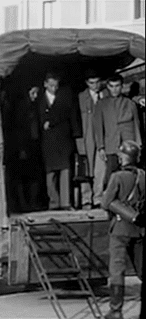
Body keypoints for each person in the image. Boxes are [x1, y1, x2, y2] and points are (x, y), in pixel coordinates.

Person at [101, 140, 145, 319]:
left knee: (117, 270)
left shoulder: (116, 177)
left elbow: (106, 203)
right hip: (140, 229)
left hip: (120, 229)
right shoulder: (144, 176)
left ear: (124, 158)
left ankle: (116, 310)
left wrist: (124, 212)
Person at [38, 73, 83, 210]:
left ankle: (65, 203)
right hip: (47, 140)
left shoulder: (65, 96)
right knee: (50, 172)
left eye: (56, 85)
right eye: (51, 85)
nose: (54, 88)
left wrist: (76, 135)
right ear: (45, 84)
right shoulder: (38, 98)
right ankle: (53, 202)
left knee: (65, 169)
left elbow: (71, 115)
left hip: (64, 137)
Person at [94, 74, 142, 189]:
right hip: (111, 144)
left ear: (121, 86)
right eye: (112, 86)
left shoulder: (130, 104)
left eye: (117, 86)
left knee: (129, 174)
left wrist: (138, 145)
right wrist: (101, 146)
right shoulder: (101, 104)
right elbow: (99, 127)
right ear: (108, 87)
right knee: (111, 174)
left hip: (128, 144)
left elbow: (136, 125)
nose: (114, 89)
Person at [76, 70, 106, 209]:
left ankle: (98, 197)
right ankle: (86, 199)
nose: (95, 86)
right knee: (85, 168)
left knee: (101, 168)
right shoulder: (80, 97)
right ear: (87, 83)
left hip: (102, 136)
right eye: (92, 83)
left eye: (97, 82)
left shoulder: (105, 95)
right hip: (85, 136)